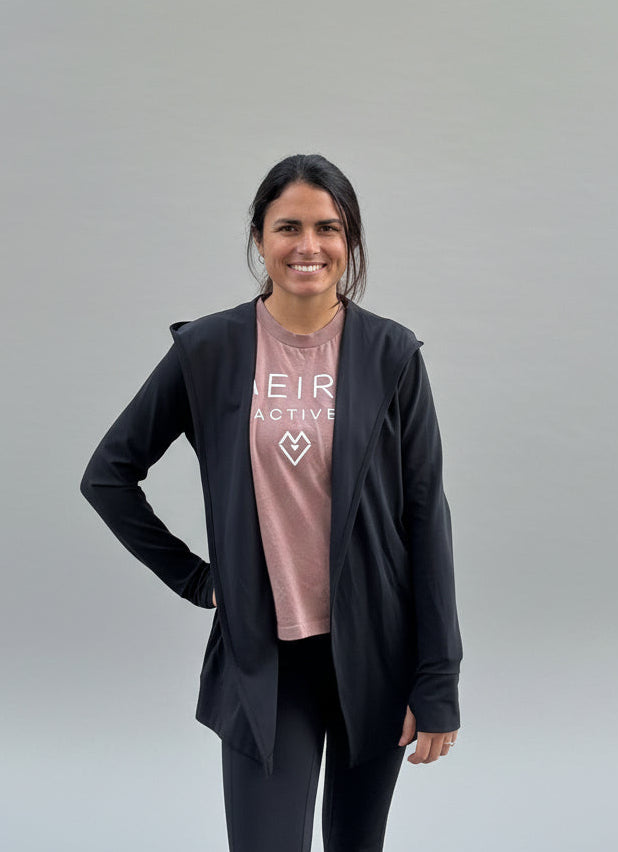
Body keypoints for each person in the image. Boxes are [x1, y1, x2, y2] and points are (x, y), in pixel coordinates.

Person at [80, 153, 463, 852]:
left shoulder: (392, 355)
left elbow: (424, 519)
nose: (308, 246)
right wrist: (199, 580)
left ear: (350, 243)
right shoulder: (211, 350)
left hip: (375, 653)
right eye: (288, 227)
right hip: (266, 657)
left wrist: (437, 679)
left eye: (328, 228)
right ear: (259, 237)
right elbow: (108, 475)